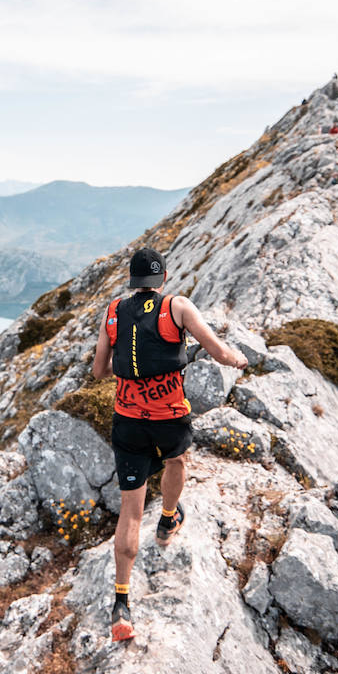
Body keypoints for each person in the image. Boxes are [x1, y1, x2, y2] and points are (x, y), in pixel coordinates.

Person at [92, 247, 248, 642]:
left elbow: (98, 371)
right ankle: (167, 519)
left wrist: (127, 370)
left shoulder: (113, 311)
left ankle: (121, 604)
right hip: (168, 417)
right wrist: (238, 360)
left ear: (133, 281)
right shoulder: (177, 307)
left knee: (130, 510)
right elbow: (218, 351)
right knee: (176, 461)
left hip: (128, 419)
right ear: (162, 278)